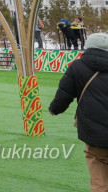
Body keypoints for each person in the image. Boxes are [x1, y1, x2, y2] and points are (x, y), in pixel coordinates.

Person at [48, 32, 108, 189]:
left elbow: (64, 95)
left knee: (100, 180)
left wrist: (54, 109)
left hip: (95, 135)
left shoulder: (77, 66)